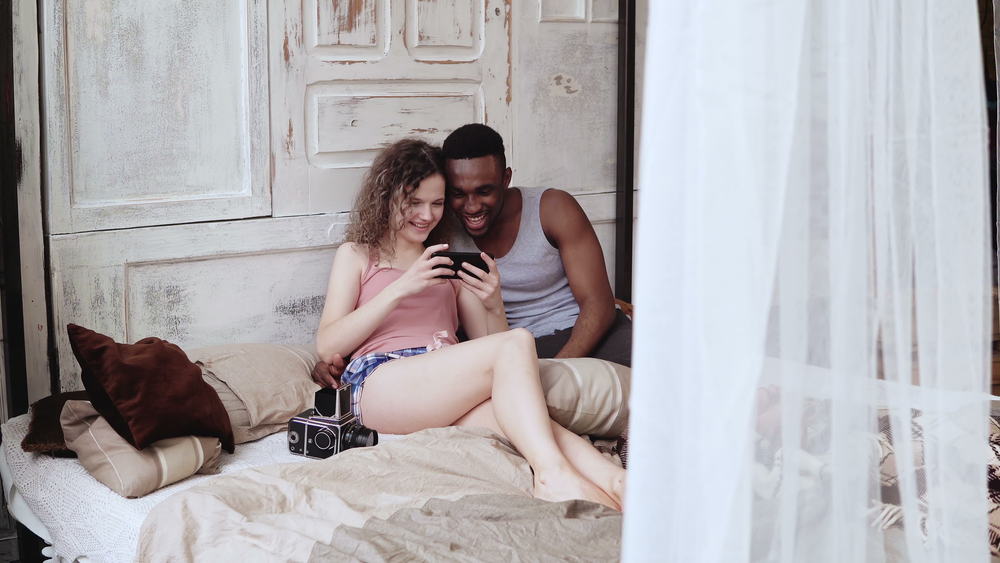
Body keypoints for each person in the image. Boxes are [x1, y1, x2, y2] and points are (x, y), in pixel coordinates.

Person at [314, 138, 625, 510]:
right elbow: (328, 345)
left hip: (441, 385)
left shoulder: (448, 263)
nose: (426, 215)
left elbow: (494, 349)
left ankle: (618, 483)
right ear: (387, 196)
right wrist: (401, 288)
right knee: (518, 344)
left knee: (526, 421)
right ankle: (552, 475)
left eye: (437, 203)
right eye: (414, 202)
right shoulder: (358, 254)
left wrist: (493, 301)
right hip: (380, 382)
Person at [441, 123, 632, 366]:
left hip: (583, 331)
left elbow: (599, 304)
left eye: (484, 191)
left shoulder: (552, 208)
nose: (472, 206)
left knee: (656, 379)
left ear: (506, 178)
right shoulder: (441, 227)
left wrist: (557, 369)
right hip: (517, 344)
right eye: (458, 193)